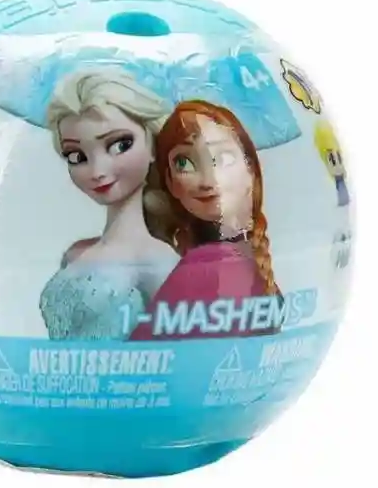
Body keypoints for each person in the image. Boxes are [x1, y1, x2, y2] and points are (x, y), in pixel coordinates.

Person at [38, 68, 179, 340]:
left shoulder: (156, 260)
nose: (97, 171)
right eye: (77, 156)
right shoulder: (74, 255)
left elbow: (178, 350)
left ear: (152, 146)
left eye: (120, 145)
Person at [130, 100, 282, 340]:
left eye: (224, 158)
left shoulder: (202, 269)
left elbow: (140, 354)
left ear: (250, 169)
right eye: (184, 163)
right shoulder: (199, 268)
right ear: (170, 182)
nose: (209, 181)